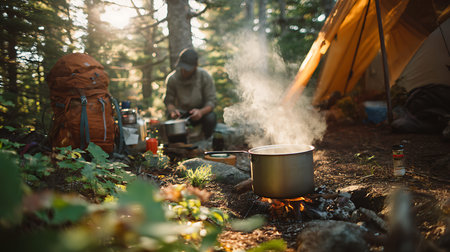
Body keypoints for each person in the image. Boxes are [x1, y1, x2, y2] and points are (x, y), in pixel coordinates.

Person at [163, 48, 217, 142]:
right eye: (182, 67)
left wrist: (200, 112)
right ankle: (179, 146)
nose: (184, 70)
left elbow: (211, 101)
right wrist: (173, 111)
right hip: (181, 115)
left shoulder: (204, 76)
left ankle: (207, 142)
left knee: (211, 117)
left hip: (200, 113)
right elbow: (169, 101)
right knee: (170, 120)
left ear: (195, 66)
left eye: (188, 68)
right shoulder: (172, 78)